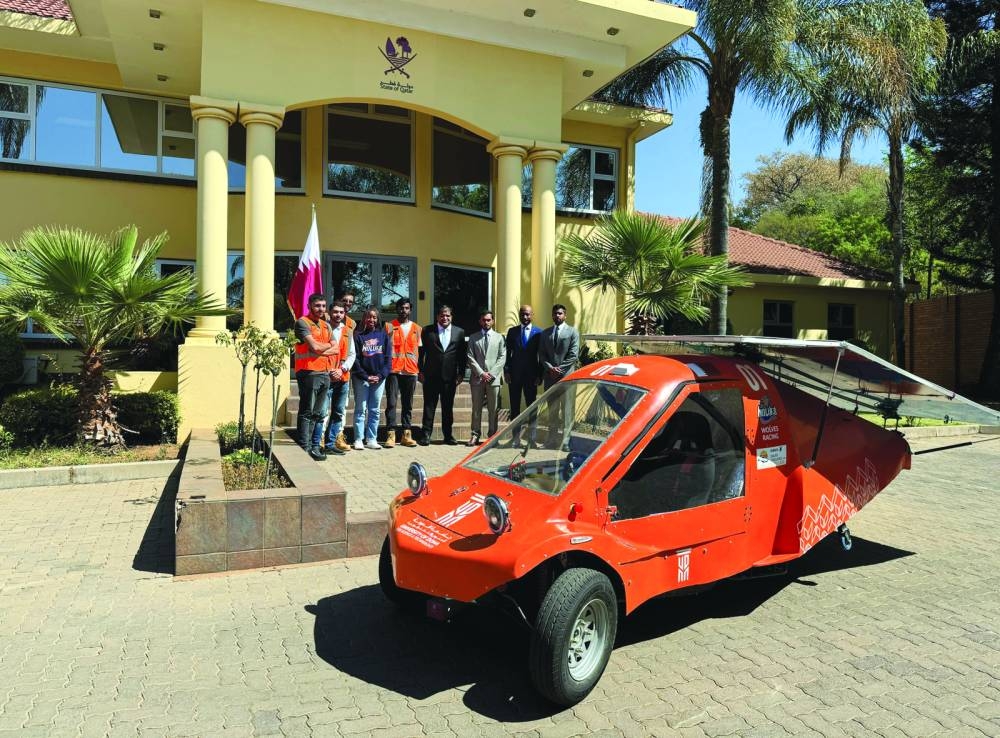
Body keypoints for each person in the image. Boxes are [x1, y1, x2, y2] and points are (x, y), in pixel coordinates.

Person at [293, 293, 335, 461]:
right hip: (308, 372)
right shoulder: (302, 323)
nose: (321, 309)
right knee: (307, 411)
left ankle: (313, 446)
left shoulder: (326, 325)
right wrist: (326, 347)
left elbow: (336, 348)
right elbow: (314, 347)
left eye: (323, 306)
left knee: (317, 413)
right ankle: (304, 447)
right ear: (309, 306)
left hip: (325, 372)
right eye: (317, 305)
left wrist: (321, 348)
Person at [418, 305, 466, 445]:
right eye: (442, 315)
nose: (445, 318)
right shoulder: (427, 331)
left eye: (447, 316)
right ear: (437, 317)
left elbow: (462, 355)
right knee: (429, 407)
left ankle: (448, 435)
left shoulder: (459, 332)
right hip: (430, 376)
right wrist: (420, 371)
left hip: (450, 378)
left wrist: (461, 373)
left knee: (447, 408)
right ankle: (426, 435)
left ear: (451, 317)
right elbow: (420, 353)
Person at [312, 299, 354, 456]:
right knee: (321, 413)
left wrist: (342, 370)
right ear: (329, 313)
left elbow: (352, 354)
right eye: (335, 312)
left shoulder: (348, 331)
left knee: (338, 412)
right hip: (325, 377)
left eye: (341, 312)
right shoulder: (323, 329)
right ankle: (316, 444)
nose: (338, 315)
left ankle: (330, 444)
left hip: (342, 378)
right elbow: (318, 351)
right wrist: (330, 370)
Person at [351, 306, 392, 450]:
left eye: (374, 317)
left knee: (374, 409)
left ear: (378, 319)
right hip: (361, 378)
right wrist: (365, 376)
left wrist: (380, 376)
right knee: (360, 409)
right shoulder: (358, 336)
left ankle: (371, 439)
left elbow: (388, 359)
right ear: (364, 319)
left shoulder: (383, 336)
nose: (371, 320)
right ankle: (358, 439)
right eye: (369, 317)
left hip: (379, 379)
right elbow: (355, 359)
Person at [383, 297, 420, 448]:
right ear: (397, 309)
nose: (403, 310)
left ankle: (406, 434)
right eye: (401, 308)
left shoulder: (417, 329)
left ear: (410, 310)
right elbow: (383, 349)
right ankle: (391, 434)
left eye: (406, 308)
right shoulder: (389, 326)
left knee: (407, 404)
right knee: (391, 403)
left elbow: (420, 351)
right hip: (393, 370)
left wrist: (420, 370)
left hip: (410, 371)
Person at [467, 309, 506, 445]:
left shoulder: (499, 337)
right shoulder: (473, 337)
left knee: (493, 409)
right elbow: (470, 357)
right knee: (476, 409)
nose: (486, 322)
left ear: (493, 321)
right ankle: (475, 434)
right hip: (477, 379)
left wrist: (492, 374)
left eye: (489, 320)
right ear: (480, 321)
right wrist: (481, 373)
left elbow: (502, 357)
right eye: (484, 320)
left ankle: (492, 436)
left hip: (493, 379)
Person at [504, 304, 543, 419]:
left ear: (532, 315)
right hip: (514, 375)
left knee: (532, 405)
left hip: (532, 376)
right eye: (522, 314)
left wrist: (540, 375)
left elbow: (541, 355)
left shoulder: (539, 333)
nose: (525, 317)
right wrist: (506, 371)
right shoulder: (512, 331)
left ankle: (532, 430)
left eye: (527, 314)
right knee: (514, 405)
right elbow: (507, 353)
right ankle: (515, 431)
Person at [538, 304, 580, 389]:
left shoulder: (573, 332)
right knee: (551, 398)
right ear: (552, 316)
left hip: (566, 376)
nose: (557, 315)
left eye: (560, 313)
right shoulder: (545, 333)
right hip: (549, 376)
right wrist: (550, 368)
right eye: (555, 313)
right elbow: (542, 354)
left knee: (566, 398)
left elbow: (573, 355)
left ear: (565, 316)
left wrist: (558, 370)